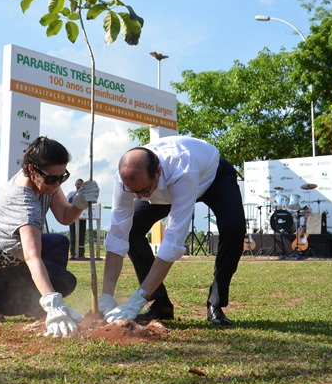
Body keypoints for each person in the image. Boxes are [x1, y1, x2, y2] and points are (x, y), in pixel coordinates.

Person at [99, 136, 246, 326]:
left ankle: (215, 304)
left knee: (234, 228)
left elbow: (172, 242)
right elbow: (118, 234)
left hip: (212, 179)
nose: (139, 197)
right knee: (132, 228)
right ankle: (161, 303)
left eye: (143, 190)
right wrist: (106, 295)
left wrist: (138, 298)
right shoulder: (125, 178)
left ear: (158, 172)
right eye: (132, 192)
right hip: (165, 190)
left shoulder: (182, 168)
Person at [0, 136, 99, 337]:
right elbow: (32, 256)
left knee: (59, 243)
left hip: (12, 251)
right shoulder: (24, 203)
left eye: (63, 177)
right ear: (32, 170)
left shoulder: (45, 179)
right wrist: (52, 302)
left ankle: (35, 302)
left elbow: (64, 216)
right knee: (65, 283)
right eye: (52, 179)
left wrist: (79, 203)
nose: (57, 183)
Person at [66, 178, 87, 260]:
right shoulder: (71, 193)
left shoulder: (85, 194)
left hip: (82, 216)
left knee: (82, 235)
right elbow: (68, 201)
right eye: (78, 184)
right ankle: (73, 253)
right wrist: (76, 193)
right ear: (75, 185)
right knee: (73, 235)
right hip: (72, 216)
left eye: (81, 184)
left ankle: (81, 253)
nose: (79, 186)